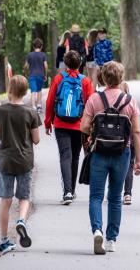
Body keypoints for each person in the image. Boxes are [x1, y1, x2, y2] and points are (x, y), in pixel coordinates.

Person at [80, 62, 140, 255]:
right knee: (115, 198)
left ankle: (97, 230)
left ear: (104, 78)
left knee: (96, 197)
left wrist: (92, 131)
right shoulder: (130, 101)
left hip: (99, 152)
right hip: (122, 153)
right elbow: (137, 132)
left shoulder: (94, 99)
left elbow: (83, 126)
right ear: (121, 78)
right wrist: (138, 160)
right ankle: (111, 239)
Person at [0, 75, 42, 255]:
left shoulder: (0, 111)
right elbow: (36, 139)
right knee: (24, 197)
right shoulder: (31, 112)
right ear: (26, 92)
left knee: (5, 201)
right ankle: (21, 221)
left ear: (10, 90)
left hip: (6, 160)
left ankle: (4, 241)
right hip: (25, 160)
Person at [45, 51, 95, 205]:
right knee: (75, 157)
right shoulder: (85, 81)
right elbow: (90, 104)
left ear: (66, 64)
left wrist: (48, 122)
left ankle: (66, 191)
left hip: (61, 123)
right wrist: (90, 128)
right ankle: (71, 191)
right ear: (80, 64)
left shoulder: (59, 78)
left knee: (65, 156)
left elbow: (50, 101)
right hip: (79, 125)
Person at [120, 81, 136, 205]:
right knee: (129, 166)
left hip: (113, 140)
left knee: (113, 165)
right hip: (129, 140)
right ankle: (127, 194)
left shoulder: (108, 101)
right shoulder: (130, 102)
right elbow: (136, 129)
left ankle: (112, 191)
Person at [25, 38, 48, 113]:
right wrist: (45, 74)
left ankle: (33, 106)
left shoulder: (30, 55)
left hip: (32, 75)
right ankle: (39, 106)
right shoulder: (43, 55)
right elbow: (45, 66)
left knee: (33, 91)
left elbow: (26, 66)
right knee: (39, 90)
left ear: (33, 46)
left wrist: (26, 73)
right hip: (41, 74)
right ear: (41, 46)